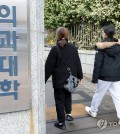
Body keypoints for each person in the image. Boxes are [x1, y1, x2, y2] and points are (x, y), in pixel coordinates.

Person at [45, 27, 83, 130]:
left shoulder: (55, 49)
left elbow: (49, 67)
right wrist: (80, 76)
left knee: (59, 100)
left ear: (57, 35)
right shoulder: (73, 48)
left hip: (59, 80)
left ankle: (61, 123)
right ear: (67, 36)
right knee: (67, 96)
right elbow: (77, 63)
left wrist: (43, 80)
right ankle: (69, 115)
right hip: (71, 79)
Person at [85, 25, 120, 124]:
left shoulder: (101, 46)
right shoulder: (118, 45)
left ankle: (93, 111)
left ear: (105, 33)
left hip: (104, 76)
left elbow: (98, 63)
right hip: (117, 76)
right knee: (118, 96)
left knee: (98, 94)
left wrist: (94, 78)